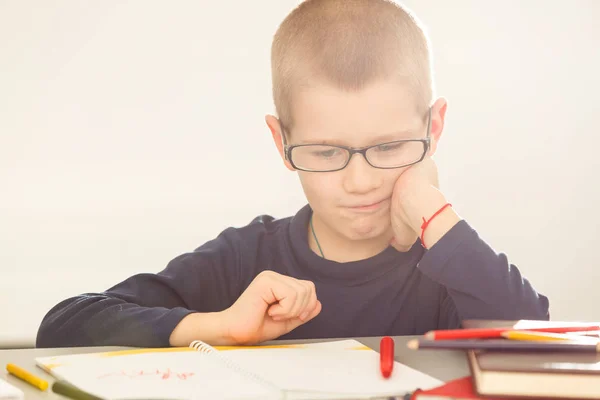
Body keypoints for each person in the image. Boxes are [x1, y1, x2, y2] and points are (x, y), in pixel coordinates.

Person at [36, 0, 549, 348]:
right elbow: (65, 324)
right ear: (281, 142)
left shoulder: (447, 265)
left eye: (390, 147)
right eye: (326, 153)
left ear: (433, 128)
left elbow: (535, 338)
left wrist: (432, 210)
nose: (360, 181)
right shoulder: (245, 259)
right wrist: (219, 326)